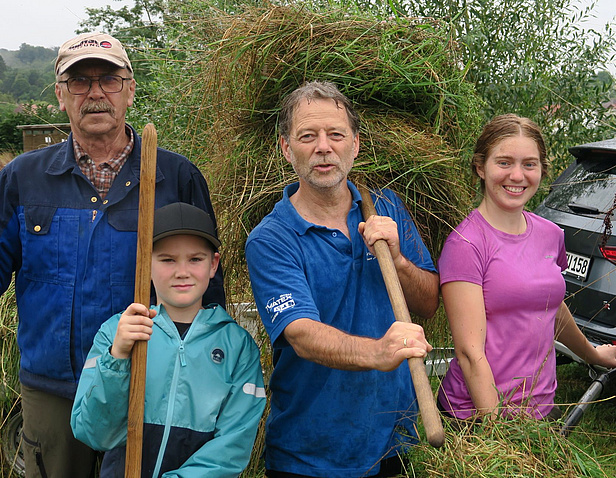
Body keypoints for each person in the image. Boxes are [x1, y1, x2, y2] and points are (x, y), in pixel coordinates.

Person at [0, 32, 224, 477]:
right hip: (54, 389)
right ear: (61, 95)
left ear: (130, 90)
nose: (95, 93)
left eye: (109, 80)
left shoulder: (175, 176)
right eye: (80, 81)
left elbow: (209, 289)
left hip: (151, 385)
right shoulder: (23, 178)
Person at [244, 81, 440, 477]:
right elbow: (301, 334)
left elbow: (429, 303)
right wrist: (378, 353)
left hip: (392, 442)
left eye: (335, 134)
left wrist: (398, 260)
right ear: (286, 148)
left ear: (355, 144)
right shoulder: (271, 239)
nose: (323, 147)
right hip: (309, 454)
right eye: (307, 136)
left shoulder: (386, 207)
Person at [436, 114, 616, 421]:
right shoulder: (466, 244)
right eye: (504, 162)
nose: (517, 175)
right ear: (481, 167)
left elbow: (550, 306)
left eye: (529, 164)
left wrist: (592, 353)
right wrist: (498, 434)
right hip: (478, 417)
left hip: (539, 409)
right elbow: (470, 354)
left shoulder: (550, 234)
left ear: (542, 170)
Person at [71, 202, 265, 477]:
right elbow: (94, 433)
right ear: (144, 264)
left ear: (213, 264)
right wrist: (118, 357)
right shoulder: (116, 332)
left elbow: (231, 447)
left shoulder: (238, 347)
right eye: (167, 260)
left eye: (195, 259)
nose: (182, 271)